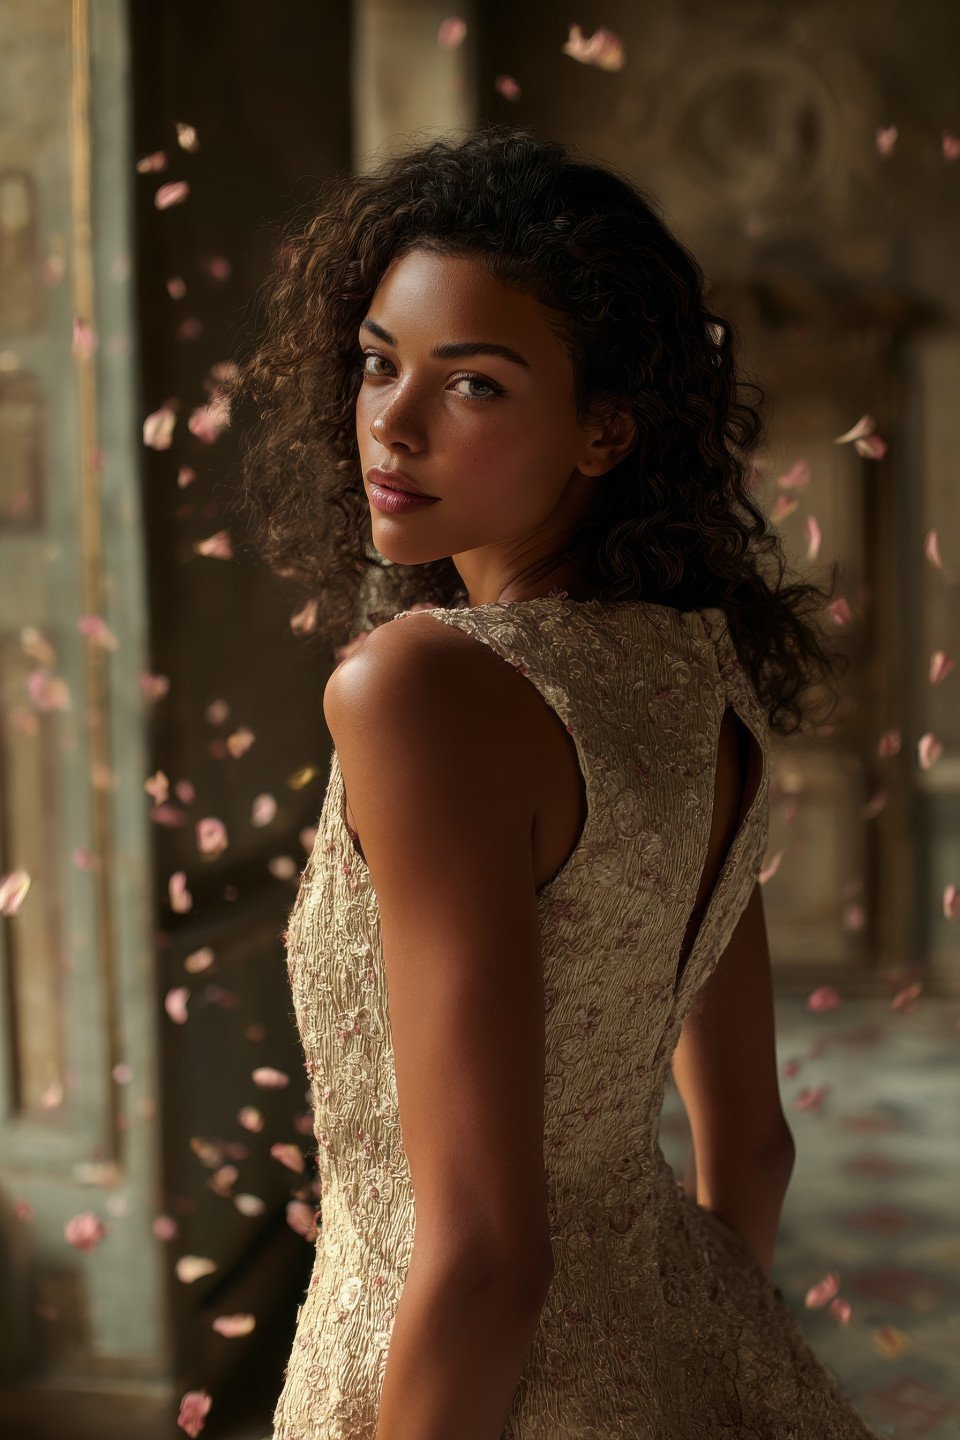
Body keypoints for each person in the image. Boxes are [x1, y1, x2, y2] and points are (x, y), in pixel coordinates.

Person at [223, 122, 879, 1439]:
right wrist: (676, 1364)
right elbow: (750, 1143)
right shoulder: (704, 676)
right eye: (376, 364)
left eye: (473, 384)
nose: (392, 423)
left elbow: (480, 1261)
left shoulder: (421, 693)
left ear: (603, 431)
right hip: (682, 1340)